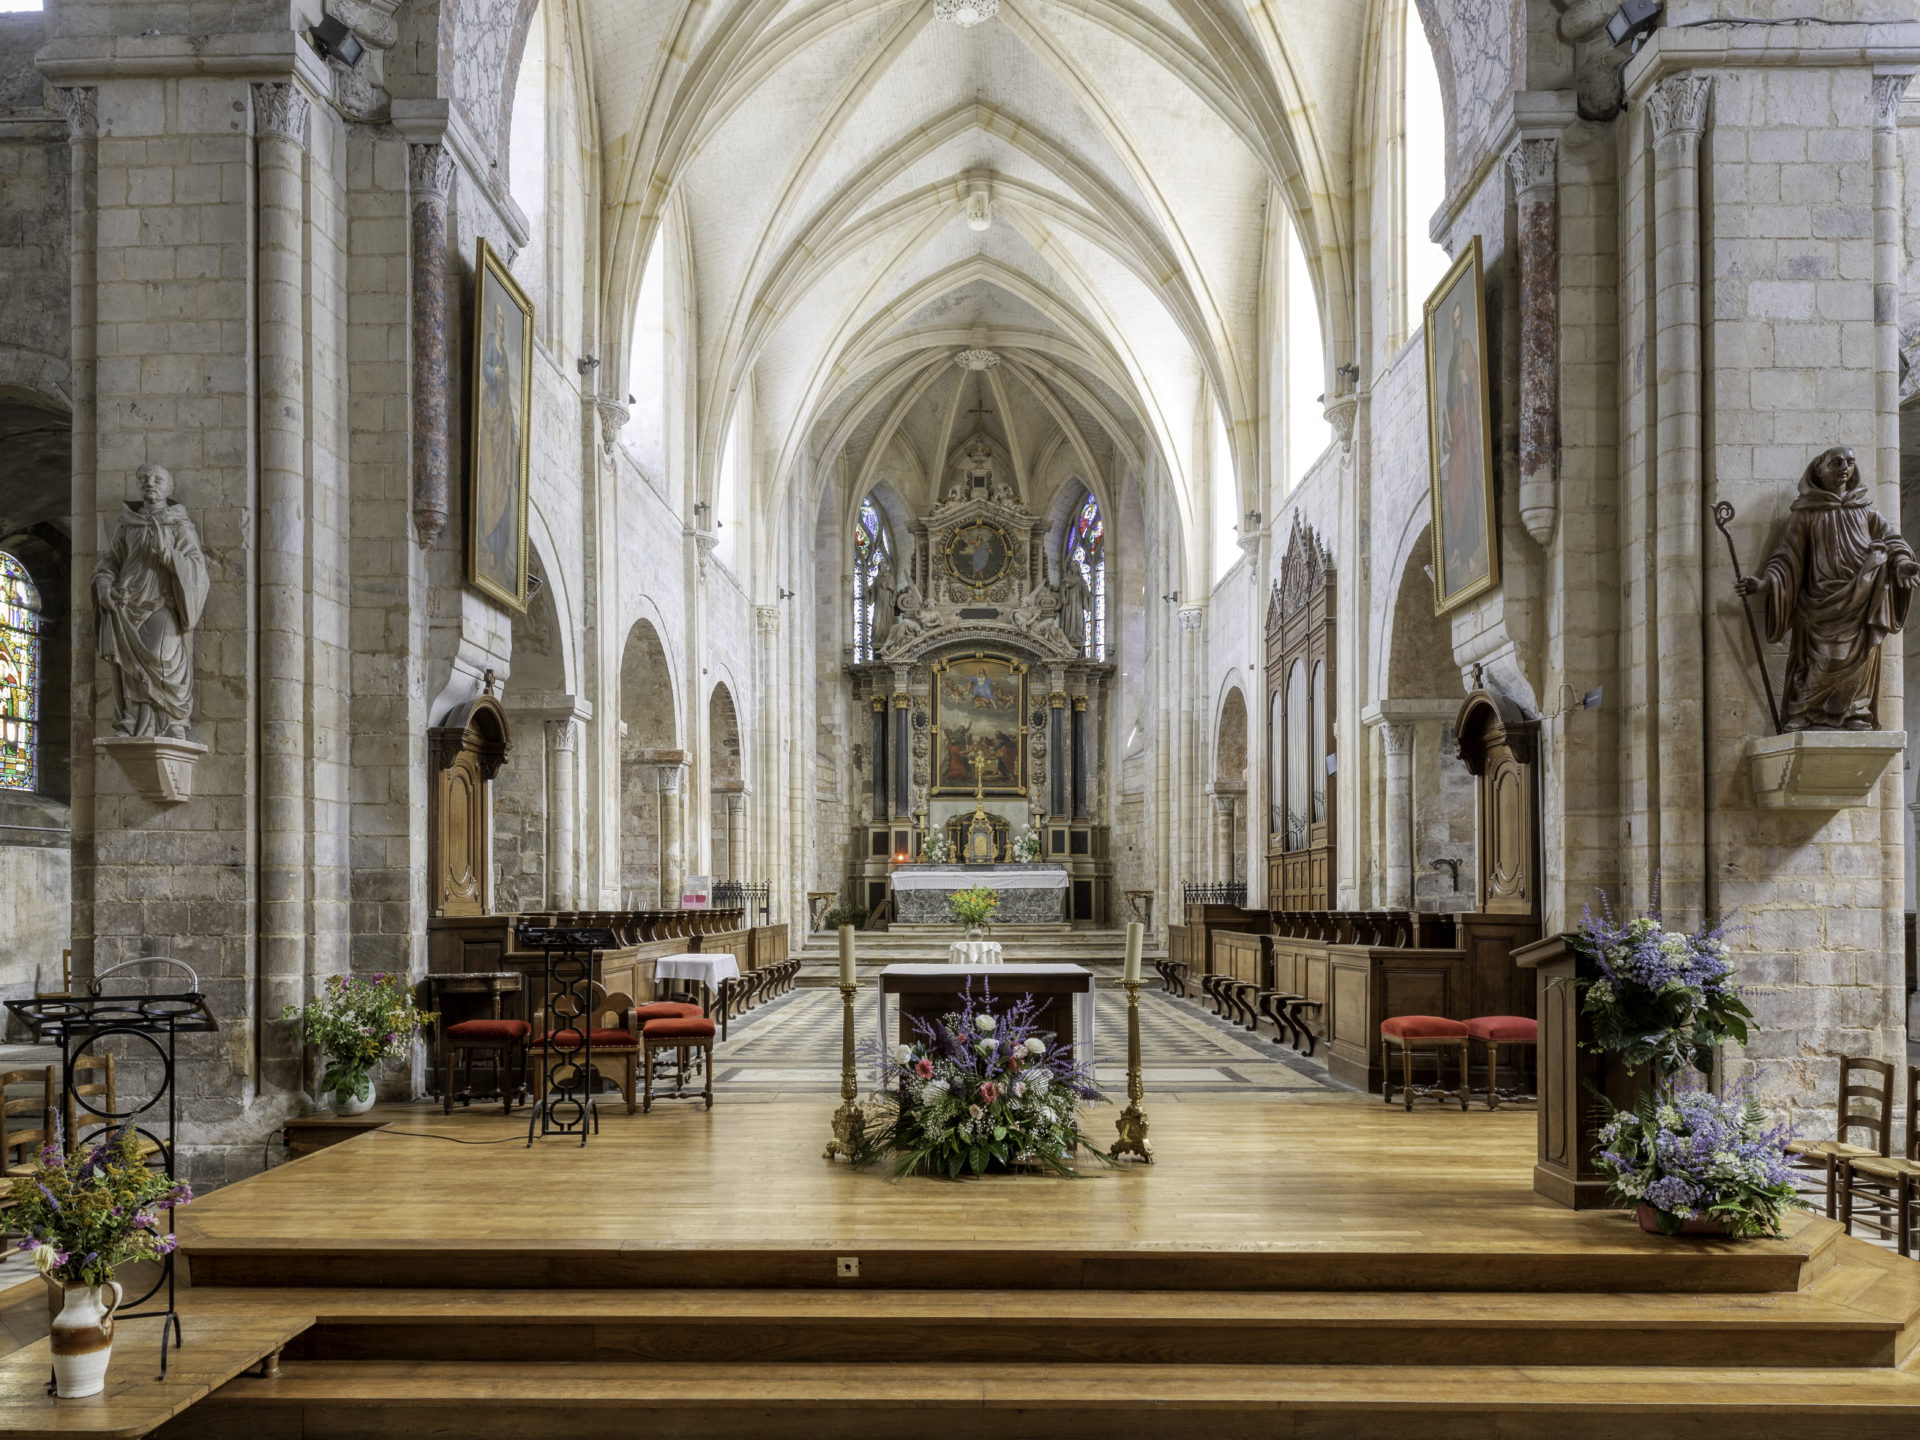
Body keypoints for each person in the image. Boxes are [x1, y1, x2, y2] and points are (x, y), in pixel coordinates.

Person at [1735, 446, 1916, 730]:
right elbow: (1787, 558)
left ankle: (1855, 712)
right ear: (1818, 470)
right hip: (1820, 607)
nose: (1845, 467)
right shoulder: (1804, 515)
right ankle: (1807, 713)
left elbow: (1892, 540)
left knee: (1861, 657)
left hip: (1863, 601)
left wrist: (1902, 562)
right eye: (1836, 462)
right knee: (1827, 662)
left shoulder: (1865, 510)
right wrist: (1766, 583)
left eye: (1850, 462)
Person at [92, 465, 209, 738]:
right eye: (144, 479)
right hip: (127, 603)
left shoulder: (179, 524)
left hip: (161, 603)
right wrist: (104, 585)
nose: (150, 483)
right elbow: (110, 563)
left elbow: (197, 568)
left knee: (162, 656)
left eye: (158, 479)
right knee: (129, 666)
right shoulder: (127, 524)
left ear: (169, 488)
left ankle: (171, 721)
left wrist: (169, 556)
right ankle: (132, 721)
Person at [1438, 297, 1488, 597]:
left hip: (1469, 432)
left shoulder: (1468, 348)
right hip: (1456, 435)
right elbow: (1446, 404)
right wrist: (1445, 435)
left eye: (1459, 319)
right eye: (1453, 321)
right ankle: (1456, 546)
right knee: (1455, 491)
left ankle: (1469, 553)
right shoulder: (1447, 366)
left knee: (1468, 488)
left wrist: (1470, 381)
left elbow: (1475, 384)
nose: (1457, 325)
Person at [477, 302, 521, 583]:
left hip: (503, 421)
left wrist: (515, 430)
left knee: (504, 490)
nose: (502, 322)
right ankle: (489, 549)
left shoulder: (505, 347)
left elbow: (509, 399)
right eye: (499, 317)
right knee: (491, 484)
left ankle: (498, 553)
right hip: (489, 419)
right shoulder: (492, 343)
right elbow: (485, 370)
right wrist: (495, 374)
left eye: (505, 318)